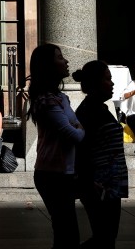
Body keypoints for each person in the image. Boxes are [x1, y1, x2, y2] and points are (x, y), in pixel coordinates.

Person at [26, 43, 86, 248]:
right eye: (60, 57)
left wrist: (77, 127)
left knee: (67, 232)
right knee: (66, 233)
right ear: (48, 65)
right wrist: (79, 128)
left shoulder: (62, 97)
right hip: (52, 174)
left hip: (65, 173)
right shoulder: (47, 100)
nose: (66, 61)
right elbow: (73, 134)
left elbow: (74, 127)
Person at [74, 60, 129, 249]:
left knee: (107, 236)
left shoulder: (101, 109)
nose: (112, 83)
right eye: (108, 79)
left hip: (111, 183)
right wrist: (89, 181)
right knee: (104, 237)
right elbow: (82, 148)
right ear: (96, 83)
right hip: (100, 184)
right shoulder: (89, 111)